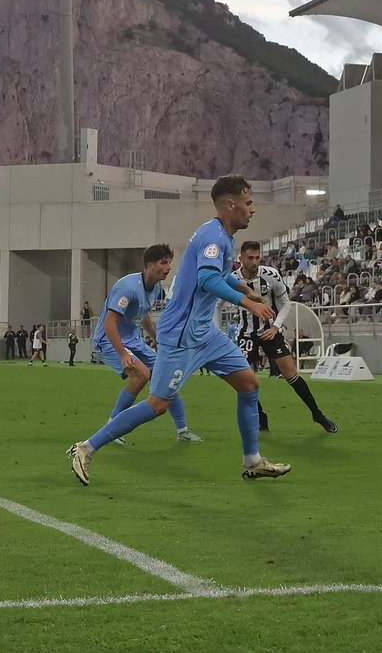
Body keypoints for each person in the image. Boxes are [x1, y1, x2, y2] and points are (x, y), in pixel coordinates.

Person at [68, 175, 289, 484]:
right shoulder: (212, 238)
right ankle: (86, 448)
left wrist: (245, 288)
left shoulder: (224, 237)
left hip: (205, 333)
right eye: (248, 203)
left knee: (250, 385)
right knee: (158, 404)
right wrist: (247, 303)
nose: (253, 209)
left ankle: (252, 461)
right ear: (230, 205)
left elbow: (219, 274)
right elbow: (207, 280)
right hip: (182, 335)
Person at [86, 244, 200, 447]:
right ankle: (112, 427)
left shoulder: (155, 288)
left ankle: (182, 430)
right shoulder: (127, 288)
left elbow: (143, 315)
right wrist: (123, 354)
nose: (168, 267)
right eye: (163, 262)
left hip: (133, 340)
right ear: (149, 265)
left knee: (166, 376)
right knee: (141, 375)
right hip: (109, 340)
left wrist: (159, 340)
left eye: (169, 262)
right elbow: (109, 324)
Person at [228, 242, 336, 433]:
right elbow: (217, 304)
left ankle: (317, 414)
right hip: (246, 334)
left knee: (290, 374)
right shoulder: (233, 279)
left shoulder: (270, 275)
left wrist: (275, 327)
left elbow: (286, 304)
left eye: (257, 257)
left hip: (271, 331)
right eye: (250, 258)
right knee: (244, 381)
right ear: (241, 259)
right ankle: (261, 418)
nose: (254, 262)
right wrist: (219, 333)